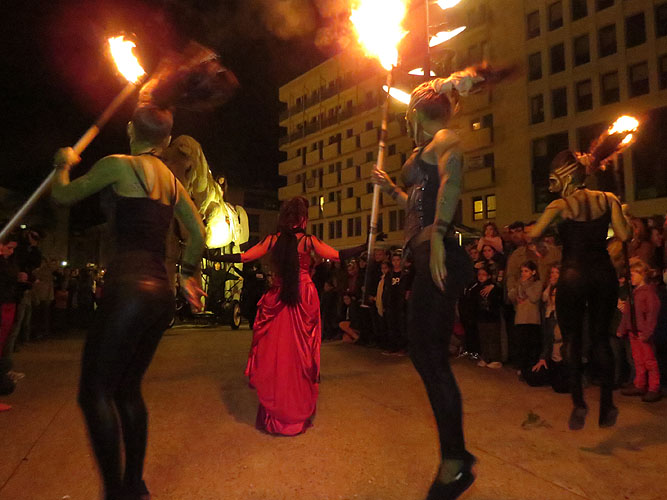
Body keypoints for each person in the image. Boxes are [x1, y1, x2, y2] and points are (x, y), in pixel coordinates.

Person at [50, 67, 212, 499]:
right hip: (159, 294)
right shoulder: (173, 183)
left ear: (129, 130)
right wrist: (187, 274)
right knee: (127, 390)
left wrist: (62, 166)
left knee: (94, 393)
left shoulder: (117, 166)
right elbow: (197, 235)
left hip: (127, 290)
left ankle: (116, 493)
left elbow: (63, 196)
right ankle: (134, 485)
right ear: (166, 138)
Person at [371, 66, 506, 499]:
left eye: (408, 115)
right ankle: (455, 455)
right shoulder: (425, 148)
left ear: (416, 113)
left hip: (440, 251)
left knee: (429, 355)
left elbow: (451, 182)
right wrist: (389, 189)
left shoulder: (446, 140)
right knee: (424, 353)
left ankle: (455, 461)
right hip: (429, 250)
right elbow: (418, 199)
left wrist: (439, 238)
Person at [209, 196, 366, 435]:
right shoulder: (308, 241)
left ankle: (277, 403)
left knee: (277, 352)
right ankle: (297, 403)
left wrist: (215, 256)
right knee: (301, 354)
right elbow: (338, 255)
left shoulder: (273, 240)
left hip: (279, 297)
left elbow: (245, 256)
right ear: (303, 218)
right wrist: (365, 245)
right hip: (304, 296)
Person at [529, 147, 632, 430]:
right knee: (600, 339)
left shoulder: (559, 206)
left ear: (566, 177)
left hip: (573, 274)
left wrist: (540, 246)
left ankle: (578, 403)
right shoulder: (608, 199)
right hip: (602, 273)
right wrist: (623, 217)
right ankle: (607, 405)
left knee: (572, 340)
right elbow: (624, 235)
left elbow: (534, 233)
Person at [617, 258, 662, 402]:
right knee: (638, 360)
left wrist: (647, 333)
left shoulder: (648, 293)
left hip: (642, 333)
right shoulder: (634, 293)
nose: (631, 278)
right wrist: (622, 328)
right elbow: (627, 314)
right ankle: (640, 384)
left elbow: (651, 315)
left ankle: (654, 387)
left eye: (633, 274)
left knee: (649, 361)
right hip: (634, 332)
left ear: (642, 274)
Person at [508, 261, 542, 376]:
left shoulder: (537, 283)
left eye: (526, 271)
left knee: (531, 346)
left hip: (532, 319)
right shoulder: (519, 282)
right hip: (520, 318)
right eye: (522, 271)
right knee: (521, 345)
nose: (523, 273)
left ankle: (530, 369)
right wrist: (516, 293)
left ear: (533, 272)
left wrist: (525, 284)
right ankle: (522, 368)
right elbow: (511, 295)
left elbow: (534, 297)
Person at [468, 265, 503, 368]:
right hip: (481, 316)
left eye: (484, 274)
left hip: (491, 316)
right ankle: (486, 357)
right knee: (483, 338)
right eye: (479, 274)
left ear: (489, 276)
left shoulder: (493, 287)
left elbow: (498, 297)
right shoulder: (476, 287)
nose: (481, 277)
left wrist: (493, 286)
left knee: (493, 338)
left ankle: (496, 359)